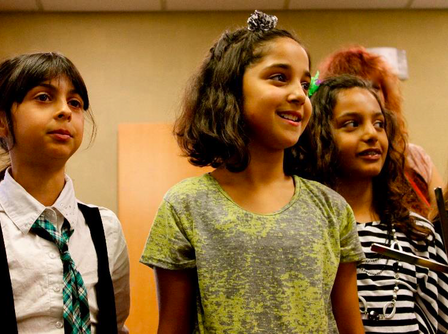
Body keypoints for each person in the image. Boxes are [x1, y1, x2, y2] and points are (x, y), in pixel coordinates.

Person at [140, 11, 365, 334]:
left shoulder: (332, 209)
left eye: (305, 84)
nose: (299, 95)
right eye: (279, 77)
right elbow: (172, 328)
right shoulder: (185, 206)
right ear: (231, 90)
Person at [0, 52, 130, 334]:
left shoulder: (106, 228)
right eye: (43, 97)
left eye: (75, 102)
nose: (65, 111)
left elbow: (116, 326)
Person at [291, 75, 448, 333]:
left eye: (379, 124)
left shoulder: (418, 232)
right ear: (318, 136)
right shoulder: (304, 230)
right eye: (352, 124)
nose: (371, 135)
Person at [318, 46, 445, 216]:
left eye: (374, 87)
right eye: (356, 85)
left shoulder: (415, 158)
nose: (366, 96)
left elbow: (441, 216)